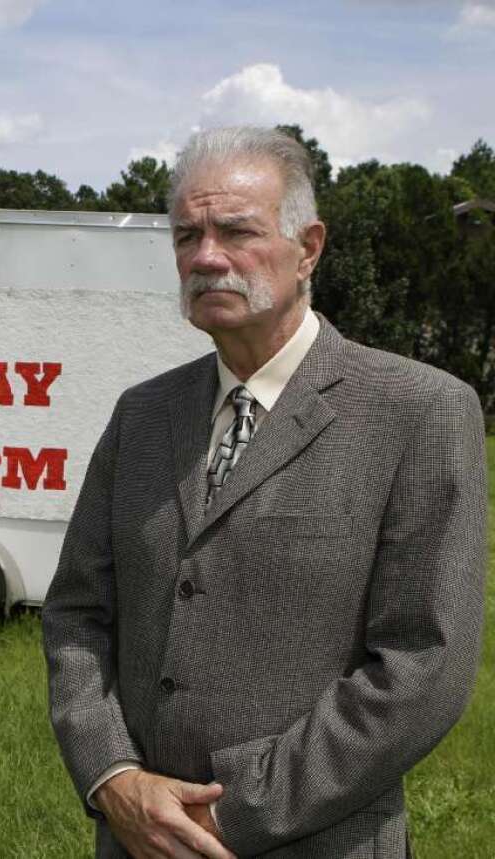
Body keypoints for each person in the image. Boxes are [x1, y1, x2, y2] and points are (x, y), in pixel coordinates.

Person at [42, 125, 486, 859]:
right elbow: (77, 613)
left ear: (308, 246)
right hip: (135, 838)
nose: (206, 257)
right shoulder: (141, 415)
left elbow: (422, 666)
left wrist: (231, 811)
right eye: (187, 236)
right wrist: (112, 774)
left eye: (236, 231)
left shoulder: (420, 411)